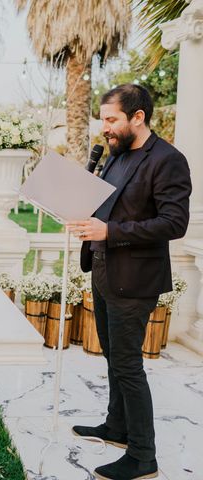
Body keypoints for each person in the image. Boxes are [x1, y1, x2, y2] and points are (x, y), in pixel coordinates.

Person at [68, 84, 192, 480]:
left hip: (135, 280)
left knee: (128, 365)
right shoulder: (115, 156)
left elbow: (174, 223)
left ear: (138, 117)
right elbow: (105, 208)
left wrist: (110, 232)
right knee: (112, 359)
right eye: (103, 119)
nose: (104, 128)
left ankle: (142, 456)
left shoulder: (168, 160)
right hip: (104, 273)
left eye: (111, 120)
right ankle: (116, 426)